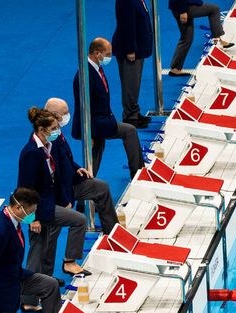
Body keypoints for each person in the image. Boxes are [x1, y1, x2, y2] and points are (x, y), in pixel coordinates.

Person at [17, 107, 89, 313]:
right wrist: (32, 218)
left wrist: (63, 199)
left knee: (39, 250)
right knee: (78, 221)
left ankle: (35, 294)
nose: (58, 131)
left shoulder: (46, 146)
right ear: (41, 130)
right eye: (54, 128)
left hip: (48, 204)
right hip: (39, 211)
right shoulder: (31, 153)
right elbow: (25, 188)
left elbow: (52, 178)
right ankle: (67, 263)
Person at [44, 98, 119, 235]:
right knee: (52, 234)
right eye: (65, 113)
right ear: (55, 114)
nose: (67, 116)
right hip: (61, 190)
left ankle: (112, 232)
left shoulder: (55, 130)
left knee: (101, 188)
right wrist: (65, 199)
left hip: (71, 180)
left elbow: (65, 158)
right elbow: (54, 172)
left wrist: (76, 168)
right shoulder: (48, 138)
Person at [72, 38, 143, 178]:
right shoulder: (84, 75)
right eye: (108, 54)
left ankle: (87, 183)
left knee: (98, 151)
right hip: (96, 125)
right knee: (128, 131)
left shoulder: (96, 68)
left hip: (102, 121)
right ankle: (137, 172)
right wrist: (89, 134)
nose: (110, 57)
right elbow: (83, 108)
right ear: (97, 53)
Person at [111, 0, 154, 128]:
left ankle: (134, 112)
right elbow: (127, 24)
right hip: (130, 50)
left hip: (138, 48)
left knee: (134, 84)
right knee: (130, 85)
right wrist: (130, 49)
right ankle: (130, 116)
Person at [168, 1, 232, 76]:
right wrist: (183, 11)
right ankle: (217, 40)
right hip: (183, 7)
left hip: (181, 7)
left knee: (186, 38)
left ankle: (175, 68)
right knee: (214, 9)